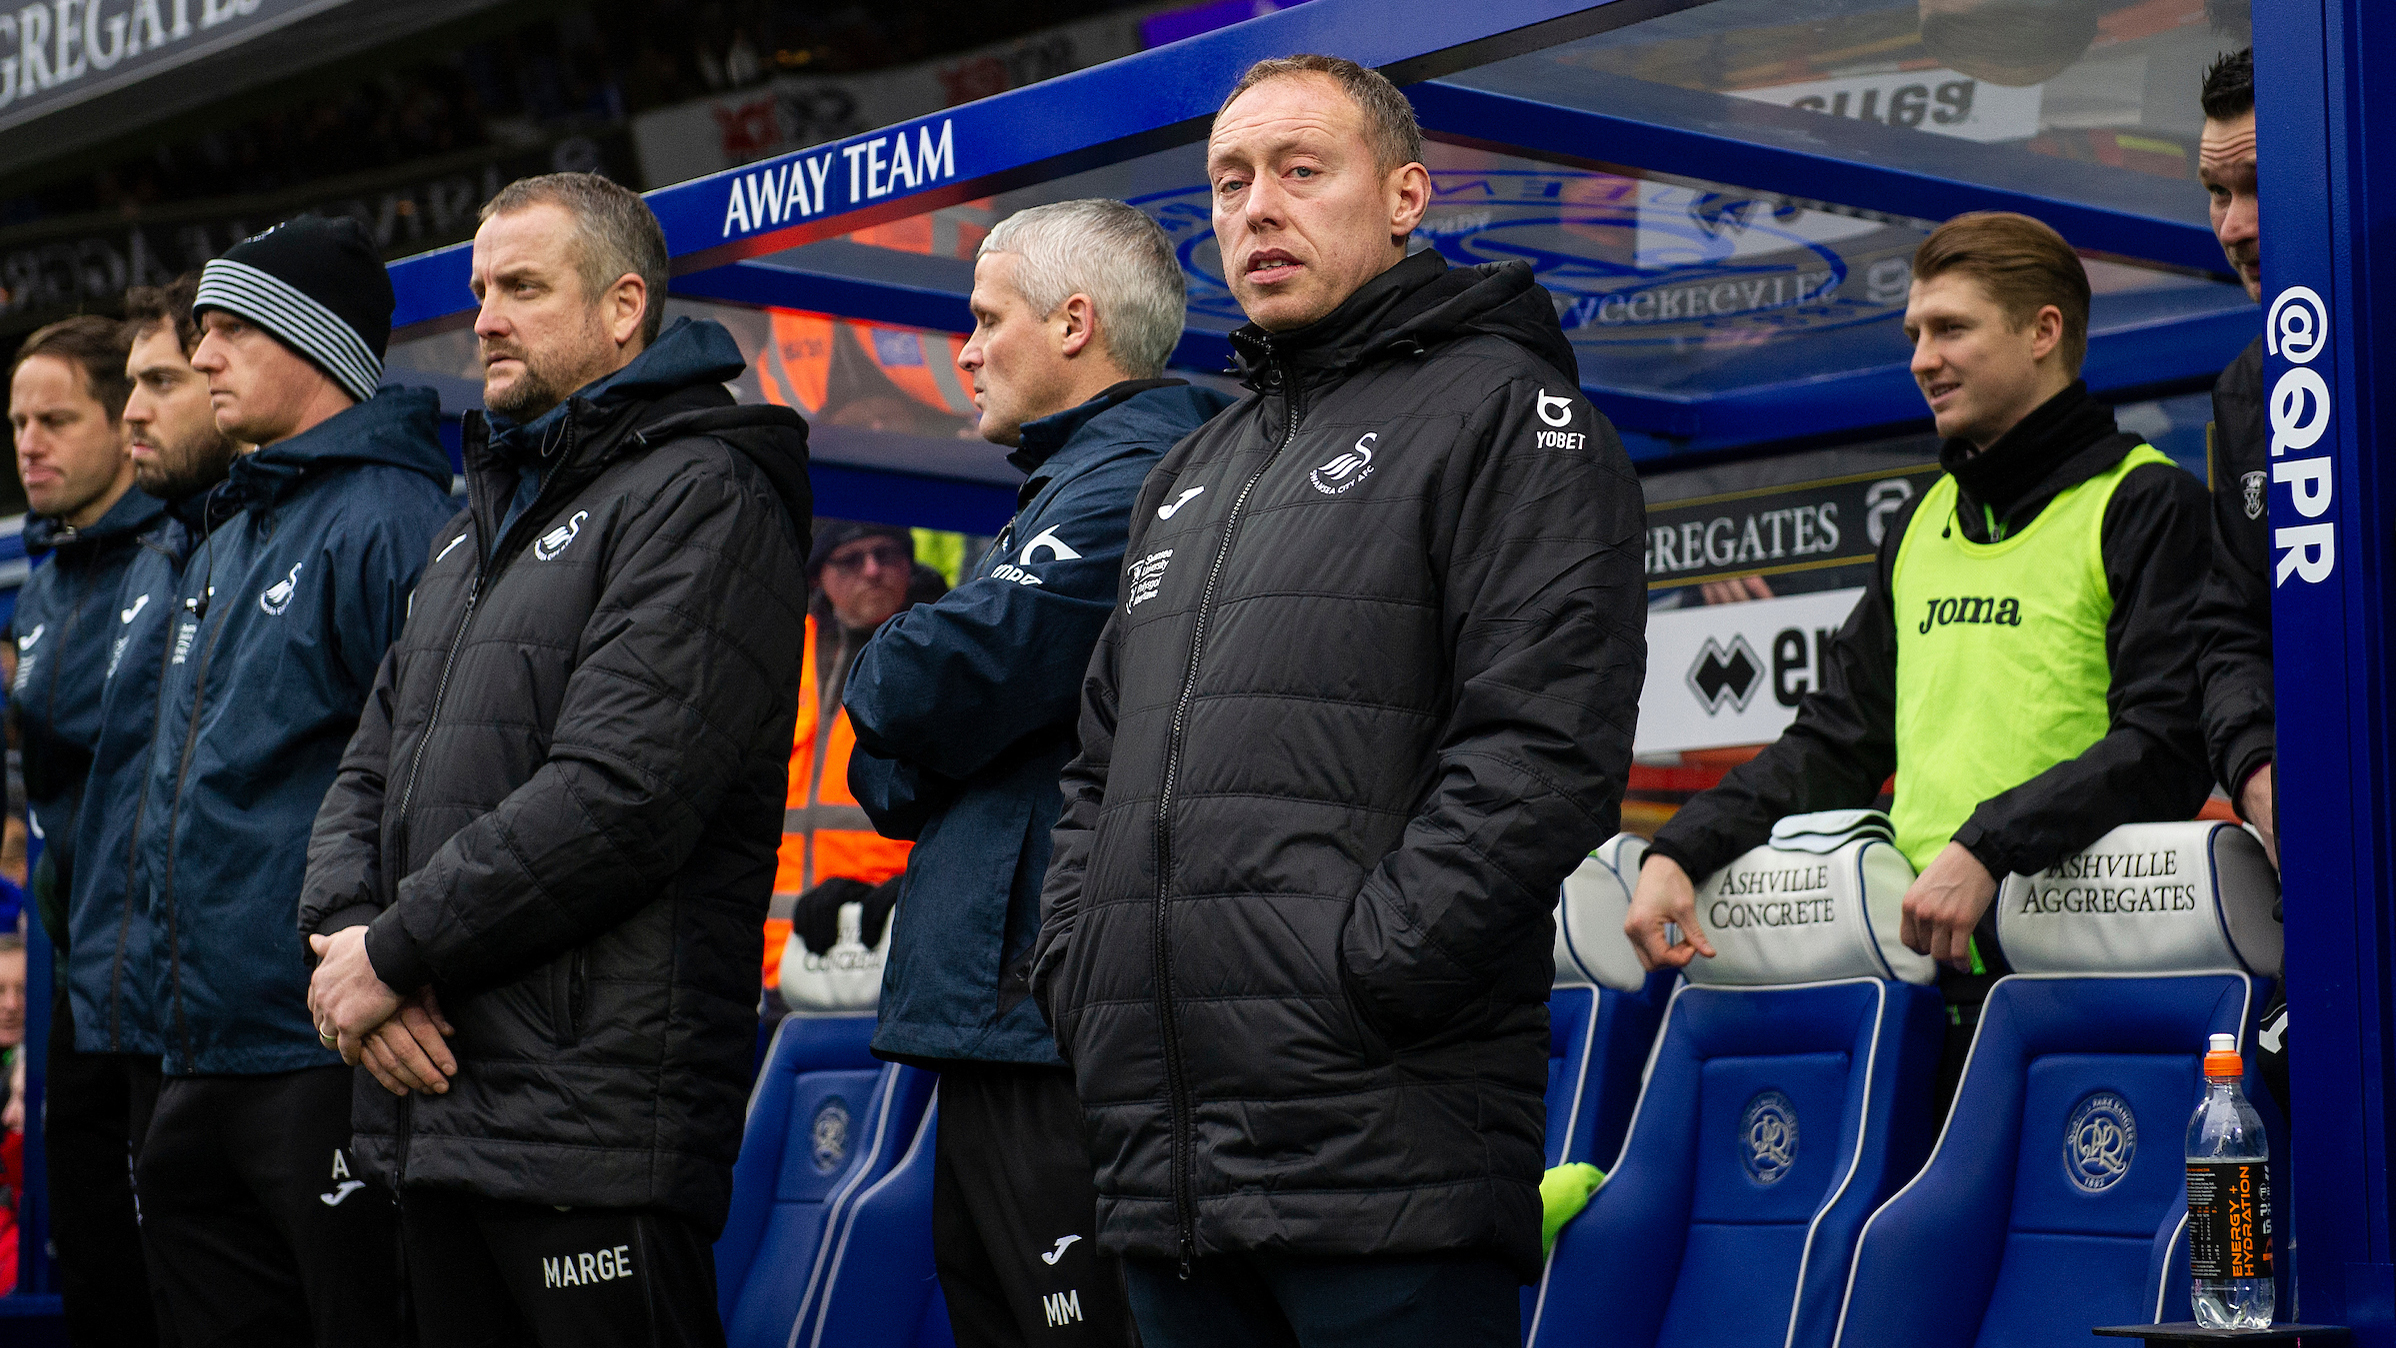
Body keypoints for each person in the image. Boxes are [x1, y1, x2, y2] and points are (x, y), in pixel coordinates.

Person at [1027, 56, 1646, 1347]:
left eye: (1302, 172)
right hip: (1170, 1174)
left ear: (1407, 193)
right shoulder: (1188, 472)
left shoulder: (1509, 417)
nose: (1258, 208)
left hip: (1385, 1162)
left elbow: (1542, 753)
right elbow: (1095, 768)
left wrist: (1361, 976)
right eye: (1231, 181)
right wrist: (1082, 973)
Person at [299, 172, 812, 1347]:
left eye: (522, 288)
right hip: (429, 1106)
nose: (484, 316)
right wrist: (346, 945)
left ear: (623, 307)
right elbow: (363, 771)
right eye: (481, 289)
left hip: (591, 1129)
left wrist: (390, 951)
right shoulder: (471, 528)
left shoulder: (702, 491)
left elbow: (621, 794)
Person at [1625, 212, 2214, 1090]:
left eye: (1951, 329)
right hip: (1927, 985)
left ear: (2043, 331)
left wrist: (1988, 846)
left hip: (2095, 981)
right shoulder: (1922, 522)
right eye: (1914, 334)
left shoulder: (2147, 503)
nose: (1921, 358)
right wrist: (1681, 849)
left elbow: (2166, 744)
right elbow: (1835, 743)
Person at [844, 198, 1233, 1348]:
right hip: (997, 1018)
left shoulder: (1132, 481)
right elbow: (898, 771)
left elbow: (932, 679)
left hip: (1053, 1021)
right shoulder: (1063, 483)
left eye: (981, 319)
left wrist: (893, 660)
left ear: (1073, 324)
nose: (962, 352)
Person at [126, 215, 456, 1346]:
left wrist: (399, 966)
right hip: (194, 1052)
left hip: (323, 1052)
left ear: (306, 341)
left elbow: (433, 781)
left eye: (224, 330)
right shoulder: (224, 534)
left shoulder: (396, 522)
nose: (201, 355)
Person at [60, 274, 246, 1345]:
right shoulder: (154, 552)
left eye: (162, 380)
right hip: (121, 998)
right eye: (131, 384)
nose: (139, 411)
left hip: (232, 1021)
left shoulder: (319, 535)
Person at [5, 312, 171, 1347]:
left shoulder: (185, 550)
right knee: (100, 1264)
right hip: (77, 976)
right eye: (18, 420)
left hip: (169, 980)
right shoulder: (45, 578)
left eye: (56, 418)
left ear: (126, 422)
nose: (28, 441)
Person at [767, 520, 920, 991]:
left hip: (882, 946)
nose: (873, 571)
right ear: (818, 575)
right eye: (852, 559)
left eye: (888, 554)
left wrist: (916, 887)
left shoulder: (941, 654)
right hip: (766, 958)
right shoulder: (778, 648)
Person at [2191, 48, 2271, 861]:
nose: (2233, 227)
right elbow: (2235, 624)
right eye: (2218, 193)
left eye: (2256, 185)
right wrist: (2256, 768)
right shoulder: (2248, 391)